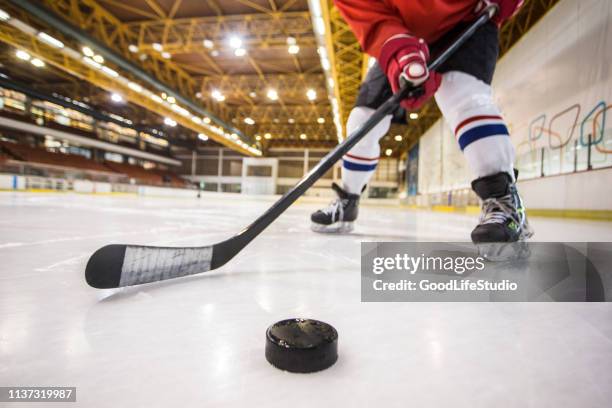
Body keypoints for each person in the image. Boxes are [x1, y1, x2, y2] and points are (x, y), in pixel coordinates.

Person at [311, 0, 533, 246]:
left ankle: (502, 199)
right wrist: (402, 55)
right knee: (362, 119)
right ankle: (348, 200)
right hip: (403, 33)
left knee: (463, 93)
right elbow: (374, 20)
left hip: (468, 18)